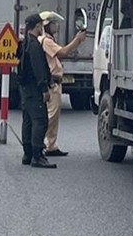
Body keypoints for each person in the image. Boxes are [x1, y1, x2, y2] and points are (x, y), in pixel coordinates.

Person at [39, 10, 87, 157]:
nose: (56, 26)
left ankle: (51, 146)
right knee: (50, 116)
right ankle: (40, 143)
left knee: (54, 116)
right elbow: (63, 52)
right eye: (54, 24)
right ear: (47, 25)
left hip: (55, 82)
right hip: (52, 83)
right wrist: (77, 40)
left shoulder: (48, 40)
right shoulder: (46, 41)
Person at [18, 13, 56, 169]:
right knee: (40, 121)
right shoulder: (34, 46)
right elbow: (39, 69)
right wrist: (44, 88)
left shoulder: (25, 43)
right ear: (38, 26)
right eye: (41, 25)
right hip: (34, 88)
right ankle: (37, 155)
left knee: (28, 120)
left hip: (25, 88)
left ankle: (27, 154)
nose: (42, 27)